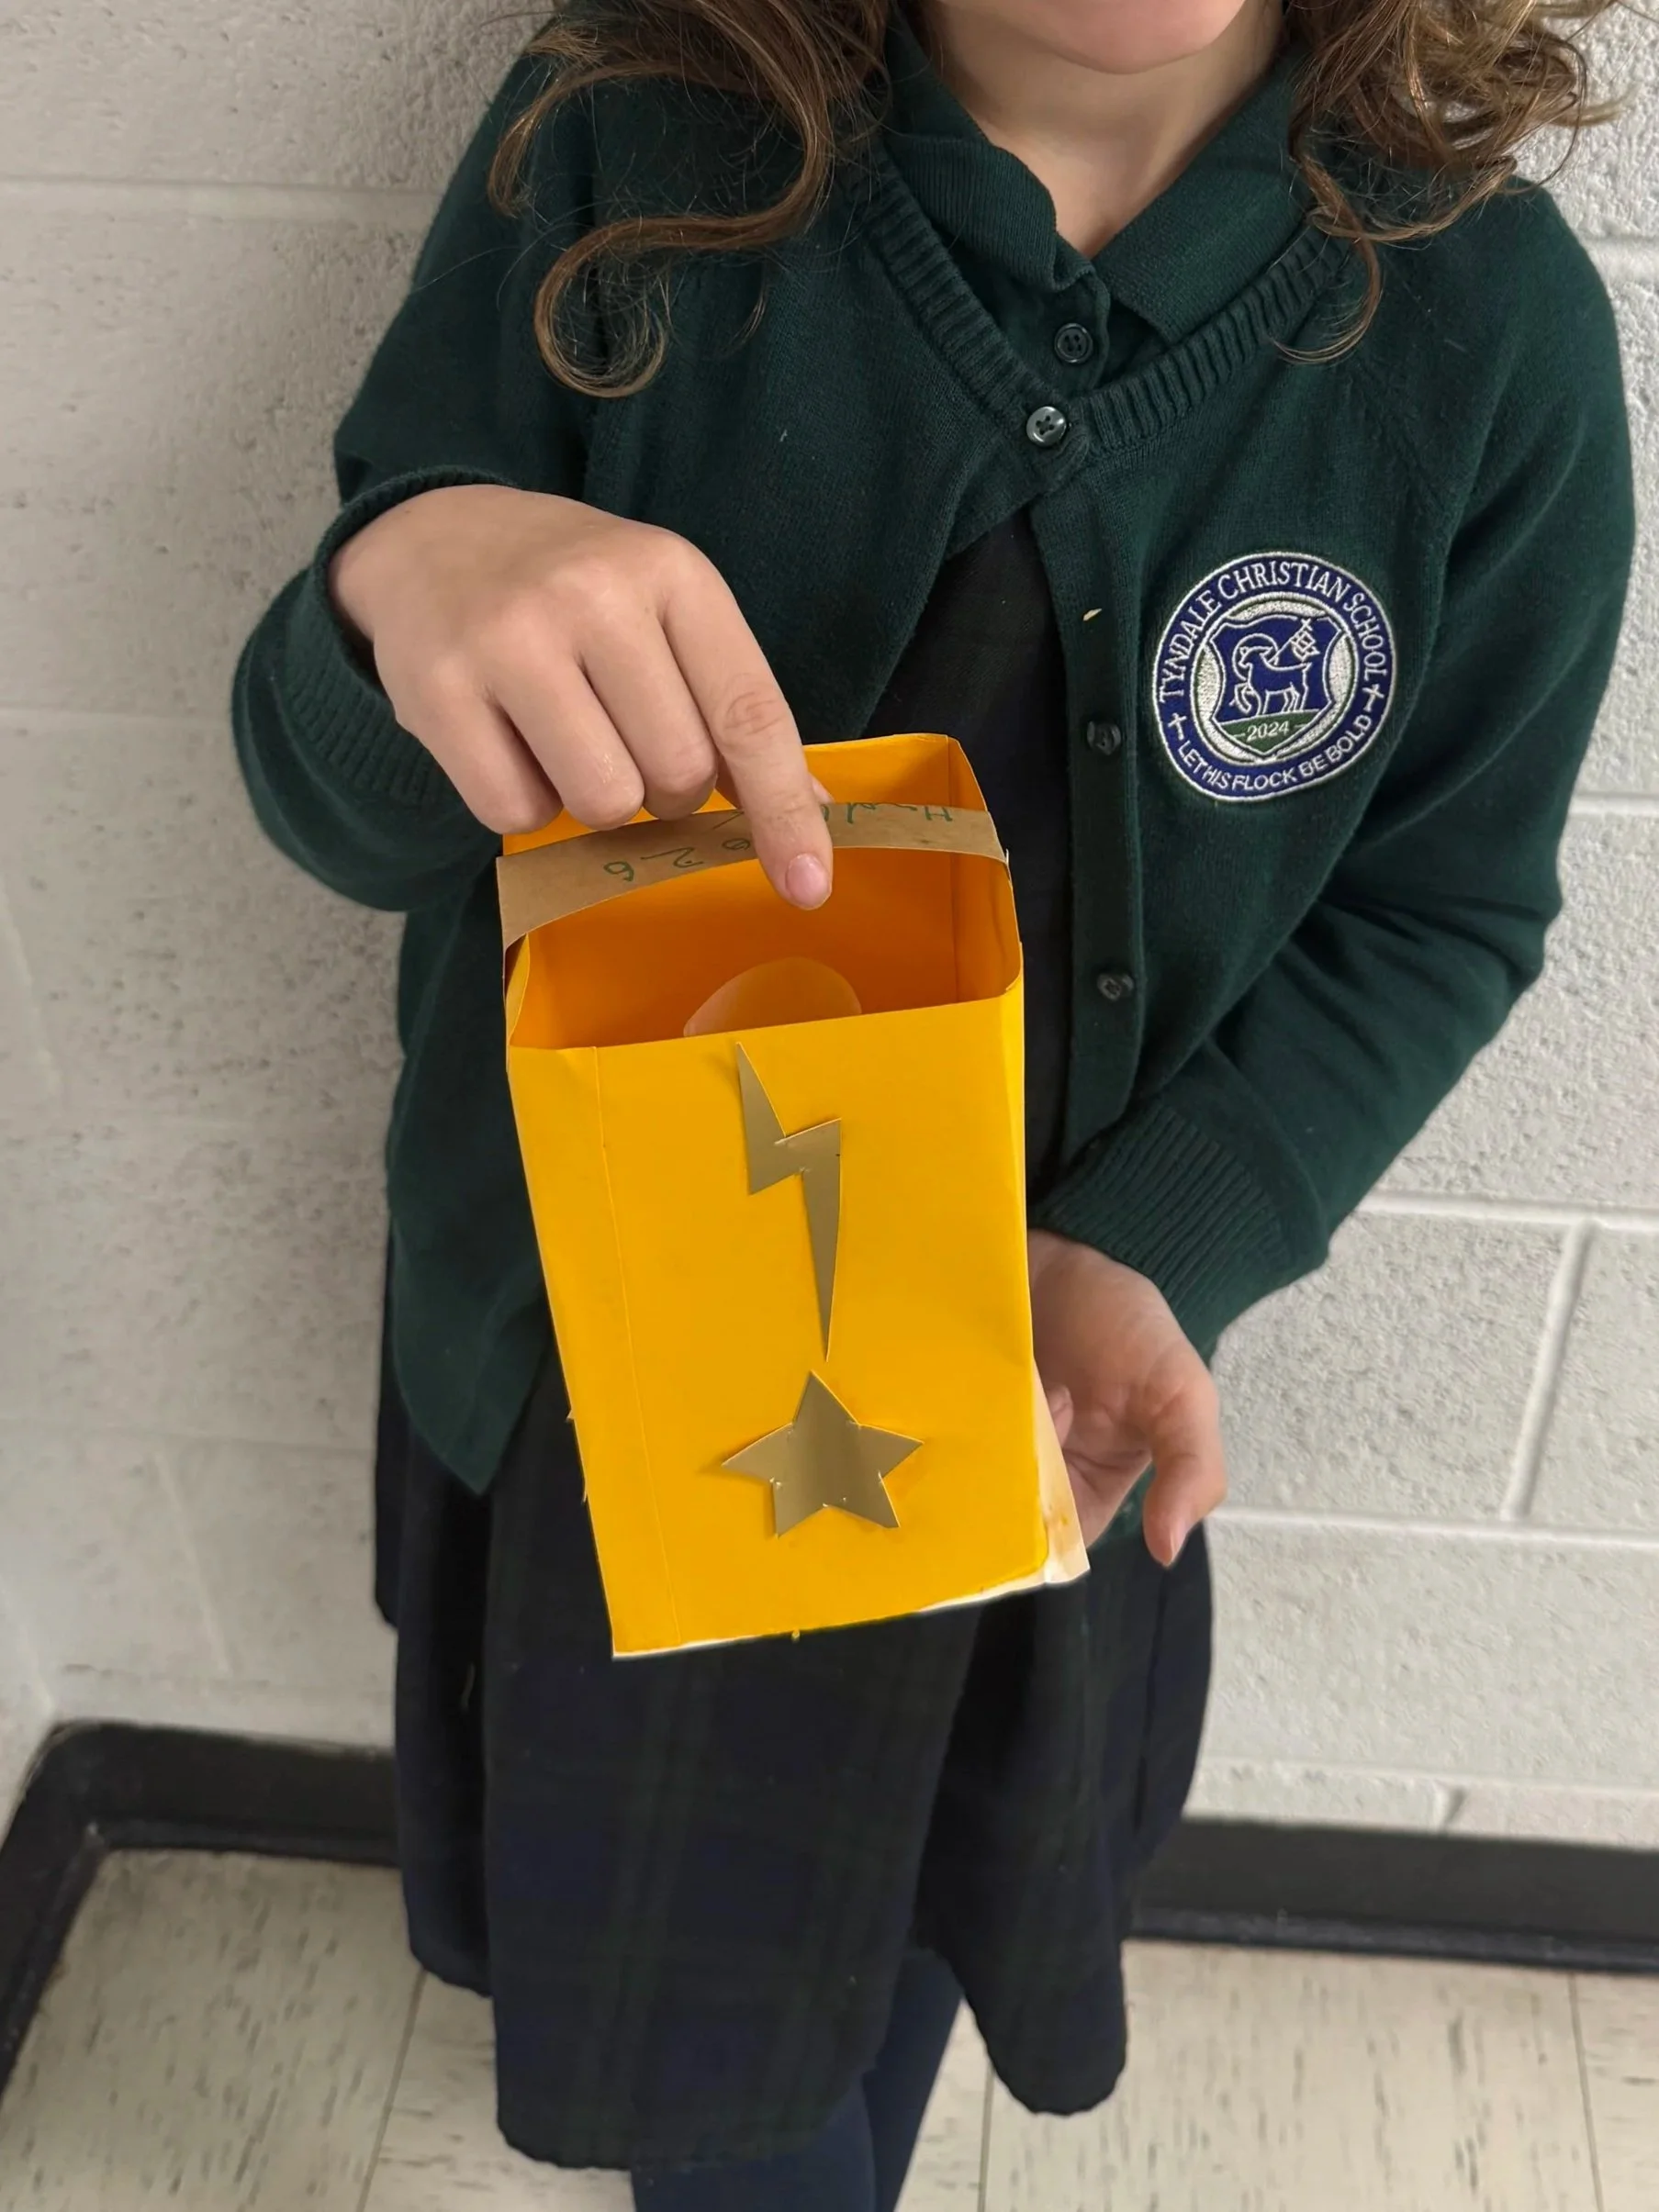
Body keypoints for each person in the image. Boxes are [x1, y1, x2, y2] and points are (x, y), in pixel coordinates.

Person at [232, 0, 1635, 2203]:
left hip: (1037, 1421)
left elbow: (1441, 910)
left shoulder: (1486, 332)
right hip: (615, 1417)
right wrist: (396, 582)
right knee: (698, 2037)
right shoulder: (625, 149)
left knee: (906, 1920)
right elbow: (341, 803)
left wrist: (1159, 1231)